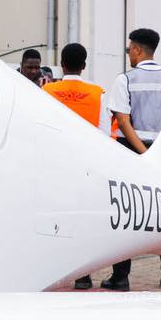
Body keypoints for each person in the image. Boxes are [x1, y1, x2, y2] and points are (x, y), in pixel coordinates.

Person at [103, 28, 161, 291]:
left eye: (129, 50)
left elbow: (123, 121)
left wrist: (144, 153)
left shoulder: (125, 80)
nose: (129, 55)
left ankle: (121, 276)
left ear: (137, 50)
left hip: (132, 152)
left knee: (125, 212)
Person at [43, 43, 103, 290]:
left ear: (61, 63)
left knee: (55, 219)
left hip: (56, 163)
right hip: (85, 164)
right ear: (84, 65)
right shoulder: (98, 93)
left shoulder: (47, 91)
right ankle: (83, 275)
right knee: (83, 221)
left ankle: (55, 270)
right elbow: (101, 132)